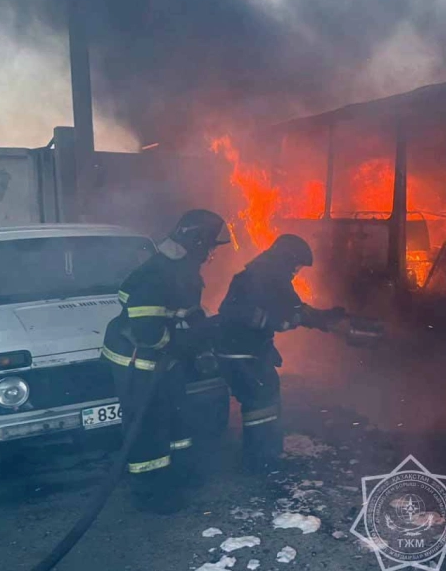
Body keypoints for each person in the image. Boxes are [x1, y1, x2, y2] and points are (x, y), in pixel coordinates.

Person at [101, 209, 229, 513]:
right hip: (138, 361)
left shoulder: (182, 269)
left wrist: (203, 329)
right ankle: (149, 491)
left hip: (165, 363)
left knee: (175, 415)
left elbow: (185, 310)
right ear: (197, 243)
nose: (212, 254)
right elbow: (148, 331)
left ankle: (177, 473)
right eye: (210, 246)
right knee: (148, 423)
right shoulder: (155, 275)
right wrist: (178, 345)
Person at [216, 234, 348, 470]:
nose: (297, 271)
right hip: (243, 353)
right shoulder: (270, 277)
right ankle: (260, 460)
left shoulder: (257, 273)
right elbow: (287, 312)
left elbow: (293, 310)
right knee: (261, 403)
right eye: (297, 265)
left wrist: (323, 318)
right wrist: (317, 319)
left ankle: (261, 454)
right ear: (287, 258)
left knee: (261, 400)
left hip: (240, 349)